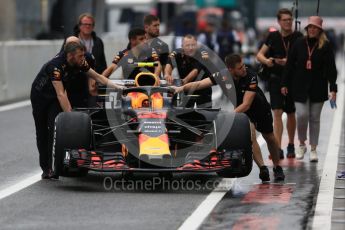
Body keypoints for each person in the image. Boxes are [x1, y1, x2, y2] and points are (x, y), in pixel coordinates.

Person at [172, 54, 285, 182]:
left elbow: (246, 104)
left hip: (259, 109)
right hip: (243, 113)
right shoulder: (223, 76)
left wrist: (228, 116)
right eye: (240, 68)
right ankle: (263, 168)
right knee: (251, 136)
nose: (244, 69)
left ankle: (277, 167)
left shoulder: (250, 76)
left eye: (243, 65)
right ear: (230, 70)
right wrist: (181, 88)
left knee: (269, 137)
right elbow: (199, 84)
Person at [30, 40, 124, 179]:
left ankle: (55, 166)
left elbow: (98, 77)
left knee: (54, 128)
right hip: (41, 97)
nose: (83, 59)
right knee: (43, 131)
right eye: (80, 56)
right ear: (71, 55)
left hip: (55, 98)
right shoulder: (55, 67)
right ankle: (46, 168)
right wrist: (71, 119)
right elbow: (61, 94)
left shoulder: (80, 62)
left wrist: (118, 88)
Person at [281, 16, 337, 162]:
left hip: (318, 87)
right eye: (310, 27)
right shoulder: (299, 43)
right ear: (307, 29)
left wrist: (333, 89)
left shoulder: (325, 45)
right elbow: (289, 65)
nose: (312, 30)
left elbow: (331, 69)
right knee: (302, 115)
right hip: (299, 86)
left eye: (315, 28)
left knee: (314, 118)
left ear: (319, 30)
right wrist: (284, 84)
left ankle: (313, 149)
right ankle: (301, 144)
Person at [257, 8, 303, 159]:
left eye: (289, 19)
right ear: (279, 22)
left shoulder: (298, 36)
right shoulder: (273, 36)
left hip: (293, 79)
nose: (288, 22)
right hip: (275, 79)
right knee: (277, 112)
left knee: (290, 112)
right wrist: (268, 61)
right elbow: (259, 55)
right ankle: (277, 147)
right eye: (284, 20)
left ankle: (290, 144)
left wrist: (290, 61)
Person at [164, 34, 212, 108]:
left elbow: (195, 71)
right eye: (187, 45)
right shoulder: (176, 53)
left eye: (193, 45)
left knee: (204, 115)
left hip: (203, 88)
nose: (191, 48)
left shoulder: (203, 54)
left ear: (197, 45)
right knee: (184, 113)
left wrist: (183, 82)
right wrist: (167, 75)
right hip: (186, 89)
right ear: (182, 46)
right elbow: (169, 63)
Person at [71, 13, 107, 97]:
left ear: (93, 26)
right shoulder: (72, 40)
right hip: (77, 81)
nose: (87, 26)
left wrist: (100, 79)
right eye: (85, 24)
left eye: (90, 24)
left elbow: (102, 63)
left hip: (94, 81)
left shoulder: (98, 42)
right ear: (79, 26)